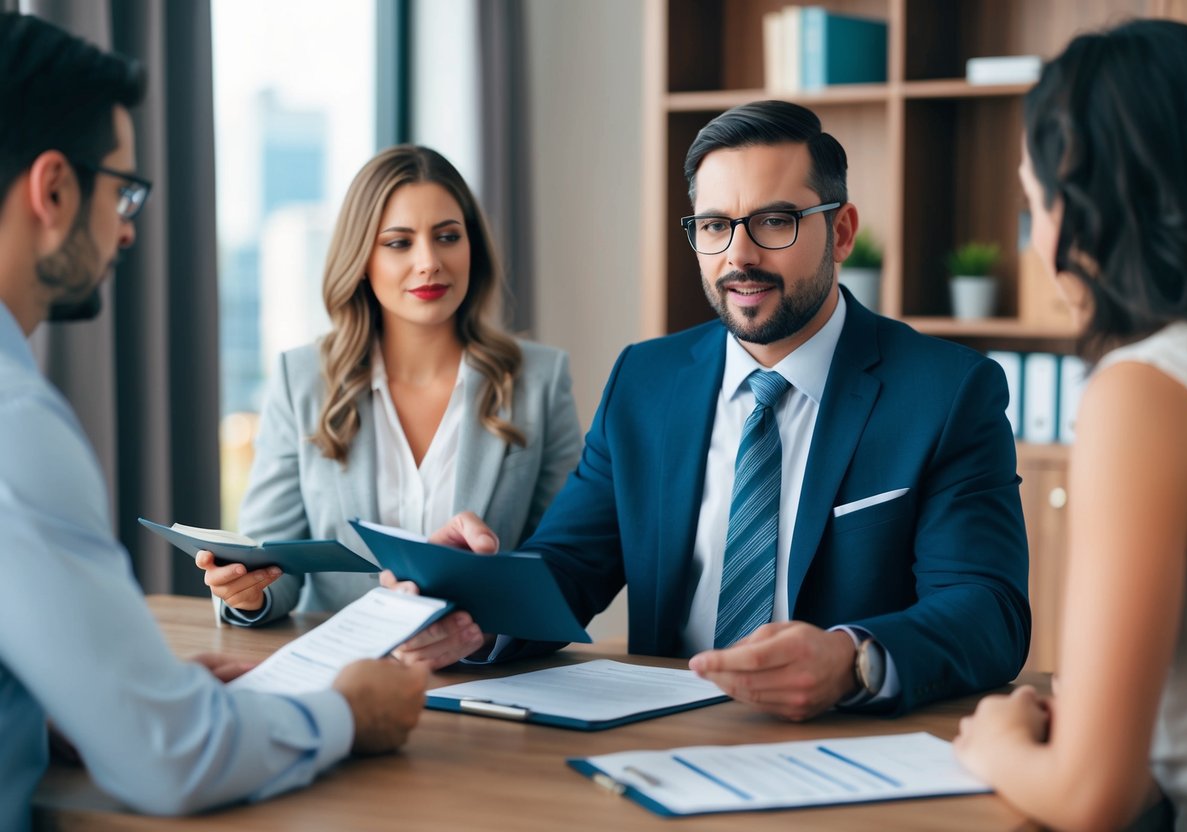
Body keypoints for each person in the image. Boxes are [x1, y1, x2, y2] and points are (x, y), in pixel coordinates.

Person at [416, 99, 1031, 720]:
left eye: (774, 221)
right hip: (663, 734)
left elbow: (986, 607)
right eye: (714, 226)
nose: (739, 256)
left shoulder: (949, 393)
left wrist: (853, 661)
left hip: (844, 740)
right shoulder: (645, 380)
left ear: (840, 232)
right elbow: (571, 566)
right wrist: (470, 597)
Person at [0, 13, 426, 830]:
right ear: (53, 189)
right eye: (122, 190)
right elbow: (172, 759)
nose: (127, 227)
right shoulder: (16, 425)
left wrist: (65, 703)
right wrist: (349, 713)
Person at [953, 19, 1187, 830]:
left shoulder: (1147, 392)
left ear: (1089, 204)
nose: (1038, 246)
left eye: (1034, 205)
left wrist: (994, 736)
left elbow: (1088, 796)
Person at [196, 143, 582, 668]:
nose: (430, 262)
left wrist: (481, 635)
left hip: (481, 682)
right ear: (362, 259)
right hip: (341, 676)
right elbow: (275, 567)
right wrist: (248, 593)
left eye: (448, 236)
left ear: (473, 248)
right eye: (399, 242)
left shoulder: (539, 378)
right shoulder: (301, 380)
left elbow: (566, 566)